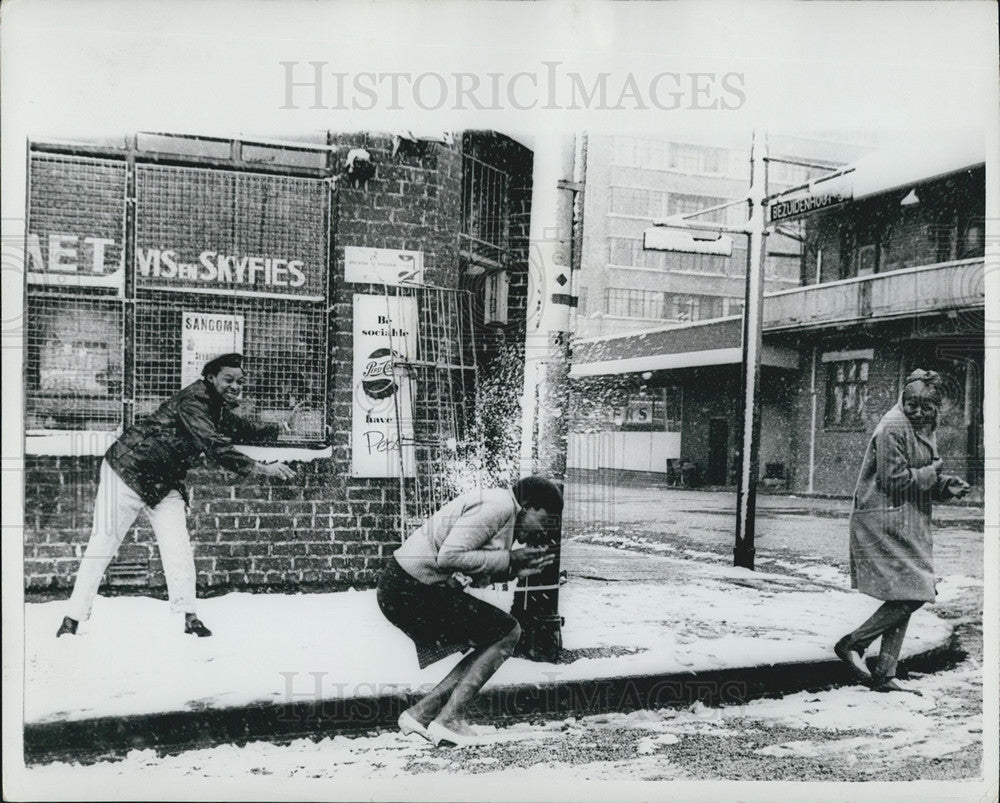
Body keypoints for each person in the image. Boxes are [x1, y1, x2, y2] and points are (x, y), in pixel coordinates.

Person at [57, 353, 299, 638]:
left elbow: (240, 427)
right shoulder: (194, 401)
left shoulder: (215, 406)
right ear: (211, 378)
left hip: (163, 482)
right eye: (228, 380)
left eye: (240, 381)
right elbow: (213, 444)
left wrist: (280, 427)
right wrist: (261, 468)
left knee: (178, 547)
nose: (235, 386)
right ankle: (71, 619)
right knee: (103, 544)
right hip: (127, 471)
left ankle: (190, 618)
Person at [377, 475, 563, 746]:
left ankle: (423, 713)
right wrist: (508, 560)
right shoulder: (499, 506)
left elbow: (468, 570)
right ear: (528, 505)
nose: (542, 532)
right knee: (507, 632)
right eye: (544, 521)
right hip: (409, 589)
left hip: (406, 587)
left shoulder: (503, 508)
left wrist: (511, 569)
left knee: (495, 635)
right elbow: (449, 556)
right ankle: (449, 718)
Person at [835, 369, 969, 693]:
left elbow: (918, 475)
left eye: (926, 407)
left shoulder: (922, 427)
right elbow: (894, 480)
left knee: (908, 592)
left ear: (936, 408)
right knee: (915, 591)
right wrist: (932, 473)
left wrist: (944, 485)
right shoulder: (893, 427)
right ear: (903, 400)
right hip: (883, 519)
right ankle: (853, 644)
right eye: (912, 405)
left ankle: (885, 672)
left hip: (903, 519)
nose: (918, 412)